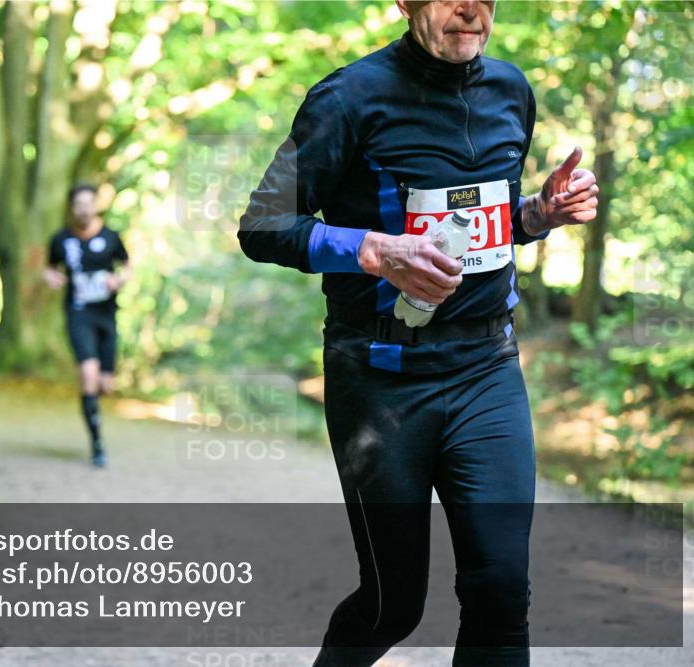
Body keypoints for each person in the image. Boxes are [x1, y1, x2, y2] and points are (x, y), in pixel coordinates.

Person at [238, 2, 598, 665]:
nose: (469, 9)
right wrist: (373, 249)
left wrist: (539, 214)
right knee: (391, 605)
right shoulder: (348, 97)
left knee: (501, 592)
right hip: (379, 379)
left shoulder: (511, 90)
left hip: (487, 368)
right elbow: (262, 225)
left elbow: (480, 224)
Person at [45, 184, 130, 468]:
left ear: (95, 205)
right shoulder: (61, 239)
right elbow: (50, 268)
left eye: (88, 203)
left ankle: (95, 407)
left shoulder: (111, 237)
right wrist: (52, 278)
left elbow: (127, 266)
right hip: (78, 314)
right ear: (72, 207)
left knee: (105, 385)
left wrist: (119, 280)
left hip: (106, 316)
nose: (83, 209)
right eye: (78, 204)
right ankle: (97, 443)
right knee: (88, 375)